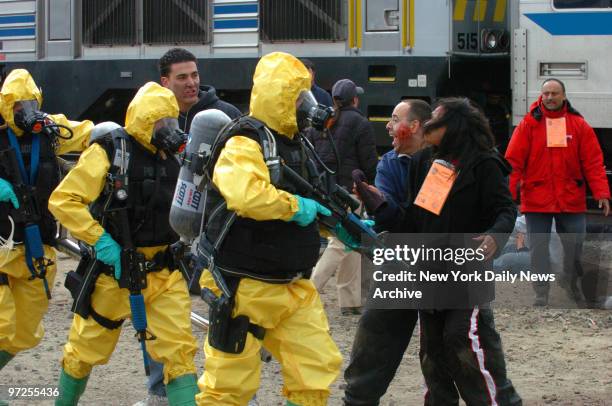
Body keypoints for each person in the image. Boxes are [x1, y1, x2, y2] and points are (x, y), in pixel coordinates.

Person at [195, 51, 341, 406]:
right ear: (277, 95)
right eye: (296, 95)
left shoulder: (298, 145)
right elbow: (247, 196)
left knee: (314, 373)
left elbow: (317, 196)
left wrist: (339, 222)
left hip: (291, 285)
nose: (305, 104)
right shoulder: (243, 142)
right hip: (242, 286)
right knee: (227, 390)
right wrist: (298, 208)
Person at [355, 98, 522, 405]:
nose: (426, 125)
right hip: (430, 271)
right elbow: (416, 220)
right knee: (433, 352)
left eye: (434, 121)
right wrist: (381, 205)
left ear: (453, 126)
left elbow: (505, 209)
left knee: (462, 339)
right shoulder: (428, 163)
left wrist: (495, 237)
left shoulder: (484, 163)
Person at [49, 82, 199, 405]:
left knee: (179, 354)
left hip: (164, 274)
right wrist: (101, 242)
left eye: (171, 122)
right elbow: (64, 201)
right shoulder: (110, 151)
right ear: (143, 121)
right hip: (113, 272)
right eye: (159, 124)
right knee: (84, 349)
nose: (167, 130)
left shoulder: (175, 156)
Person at [137, 47, 243, 406]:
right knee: (158, 322)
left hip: (211, 237)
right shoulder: (148, 118)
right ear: (164, 81)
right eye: (182, 77)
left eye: (195, 75)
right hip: (161, 239)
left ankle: (228, 392)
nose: (192, 83)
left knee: (222, 314)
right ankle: (160, 391)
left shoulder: (223, 117)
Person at [0, 69, 93, 372]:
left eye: (29, 104)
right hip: (3, 241)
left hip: (37, 244)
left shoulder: (51, 131)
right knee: (2, 323)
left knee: (24, 332)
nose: (24, 112)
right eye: (17, 106)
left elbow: (89, 133)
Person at [343, 99, 431, 405]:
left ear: (416, 126)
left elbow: (428, 219)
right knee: (375, 338)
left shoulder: (442, 162)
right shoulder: (390, 163)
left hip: (440, 263)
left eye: (395, 119)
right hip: (401, 263)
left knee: (446, 351)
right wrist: (379, 203)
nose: (389, 126)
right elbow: (401, 221)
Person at [505, 78, 610, 306]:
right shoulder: (528, 125)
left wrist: (602, 193)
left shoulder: (578, 125)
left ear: (563, 96)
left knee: (575, 247)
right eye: (546, 93)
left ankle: (571, 284)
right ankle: (541, 293)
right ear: (541, 96)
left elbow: (593, 162)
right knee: (538, 250)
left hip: (570, 200)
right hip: (536, 200)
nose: (550, 97)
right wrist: (507, 196)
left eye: (554, 93)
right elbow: (513, 163)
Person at [309, 78, 378, 315]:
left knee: (351, 242)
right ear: (355, 100)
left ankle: (349, 300)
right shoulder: (361, 123)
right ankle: (309, 290)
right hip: (351, 192)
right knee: (340, 243)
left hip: (327, 190)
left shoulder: (324, 122)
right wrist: (371, 190)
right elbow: (369, 163)